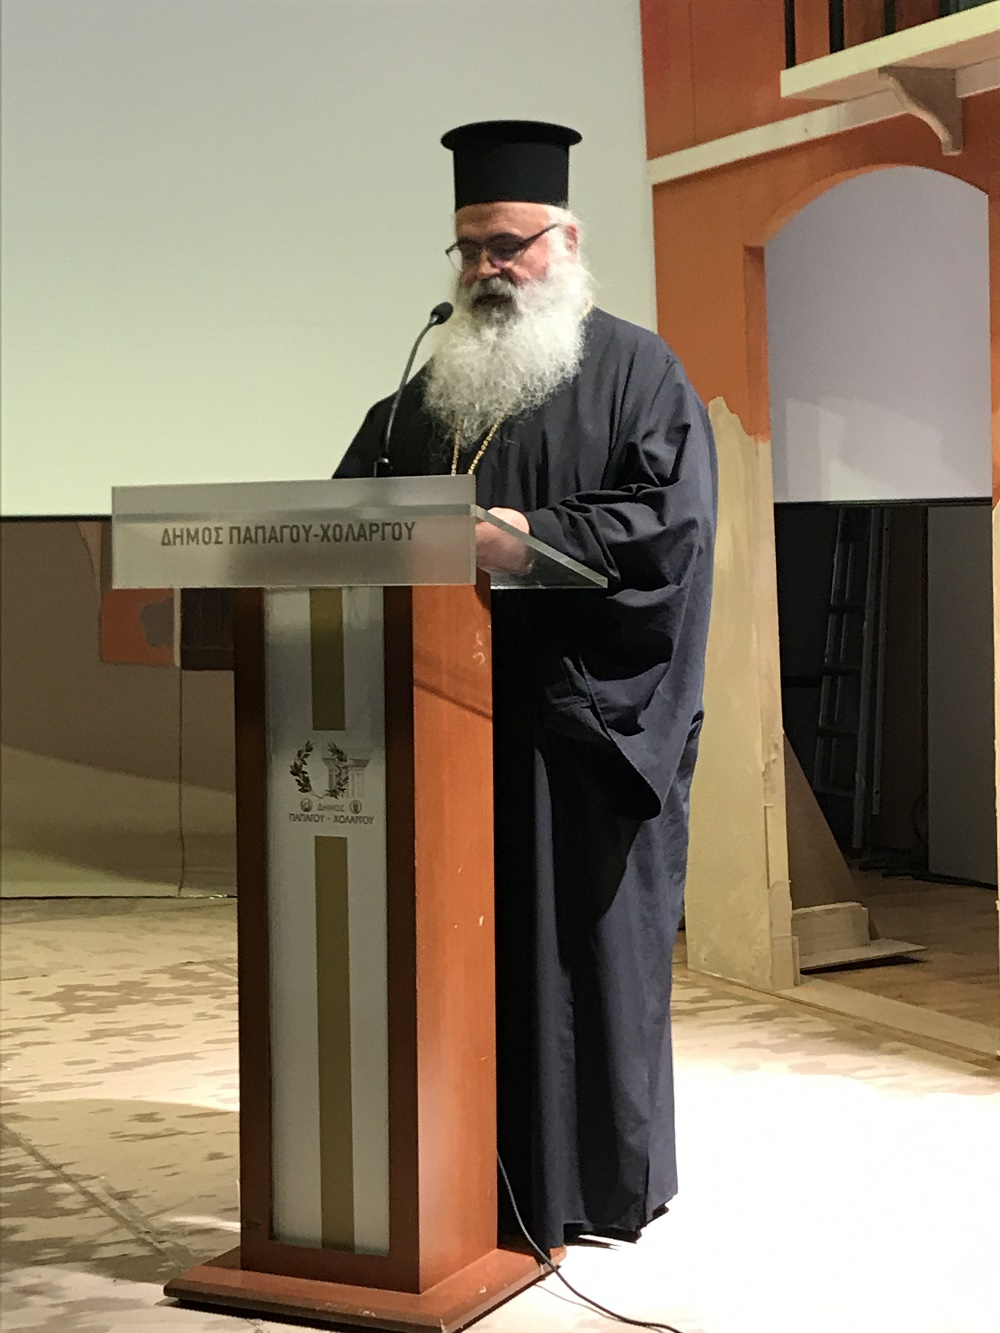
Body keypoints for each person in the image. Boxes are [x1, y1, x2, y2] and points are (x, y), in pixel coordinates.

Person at [336, 120, 717, 1251]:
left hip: (573, 728)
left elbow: (669, 528)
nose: (489, 269)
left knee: (573, 963)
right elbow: (346, 519)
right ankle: (455, 1168)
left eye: (510, 245)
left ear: (566, 242)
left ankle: (584, 1187)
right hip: (439, 732)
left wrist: (531, 538)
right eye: (471, 249)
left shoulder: (640, 372)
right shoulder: (423, 395)